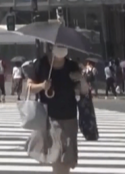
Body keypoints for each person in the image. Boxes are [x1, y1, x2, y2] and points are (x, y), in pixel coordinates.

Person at [26, 46, 89, 174]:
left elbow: (84, 91)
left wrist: (82, 79)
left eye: (63, 46)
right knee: (58, 154)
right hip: (50, 117)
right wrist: (42, 86)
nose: (61, 49)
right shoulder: (42, 64)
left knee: (67, 157)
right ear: (51, 48)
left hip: (69, 116)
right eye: (58, 46)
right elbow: (29, 87)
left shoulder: (72, 66)